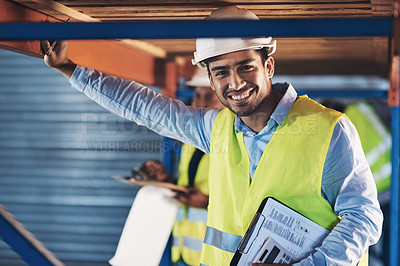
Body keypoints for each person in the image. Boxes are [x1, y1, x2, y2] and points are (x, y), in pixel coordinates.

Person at [41, 5, 383, 265]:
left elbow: (364, 218)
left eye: (245, 66)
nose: (235, 83)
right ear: (208, 75)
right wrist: (71, 69)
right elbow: (146, 108)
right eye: (221, 72)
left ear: (268, 65)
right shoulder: (217, 130)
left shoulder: (329, 129)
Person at [138, 68, 224, 266]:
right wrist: (166, 180)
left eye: (208, 97)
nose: (199, 104)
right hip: (184, 253)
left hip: (213, 257)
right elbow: (187, 187)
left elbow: (248, 203)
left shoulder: (238, 146)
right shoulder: (191, 142)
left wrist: (207, 203)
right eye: (197, 97)